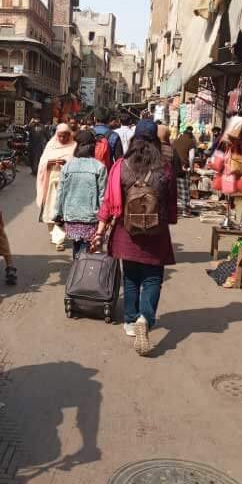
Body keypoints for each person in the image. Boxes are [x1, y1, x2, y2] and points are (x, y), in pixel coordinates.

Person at [93, 119, 177, 356]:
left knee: (131, 277)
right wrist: (167, 219)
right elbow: (171, 204)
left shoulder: (120, 166)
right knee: (152, 278)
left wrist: (99, 233)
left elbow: (108, 203)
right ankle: (145, 319)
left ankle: (130, 320)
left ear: (134, 139)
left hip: (125, 231)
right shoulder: (165, 168)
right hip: (156, 233)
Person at [54, 130, 107, 258]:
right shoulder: (99, 167)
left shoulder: (68, 166)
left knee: (77, 249)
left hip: (71, 216)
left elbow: (60, 192)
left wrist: (57, 214)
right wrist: (104, 219)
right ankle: (84, 275)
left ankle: (76, 271)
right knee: (89, 252)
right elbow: (102, 197)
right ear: (93, 147)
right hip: (91, 218)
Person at [36, 124, 76, 252]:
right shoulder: (51, 145)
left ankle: (59, 239)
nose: (63, 138)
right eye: (60, 136)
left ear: (70, 135)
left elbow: (76, 163)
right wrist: (49, 163)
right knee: (49, 210)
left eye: (65, 136)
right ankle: (53, 234)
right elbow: (42, 161)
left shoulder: (74, 146)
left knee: (60, 211)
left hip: (66, 185)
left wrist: (66, 163)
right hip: (50, 182)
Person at [172, 126, 196, 218]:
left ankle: (175, 210)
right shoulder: (191, 142)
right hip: (183, 167)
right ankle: (185, 211)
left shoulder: (176, 141)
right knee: (184, 190)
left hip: (173, 167)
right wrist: (192, 168)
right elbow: (192, 157)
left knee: (175, 190)